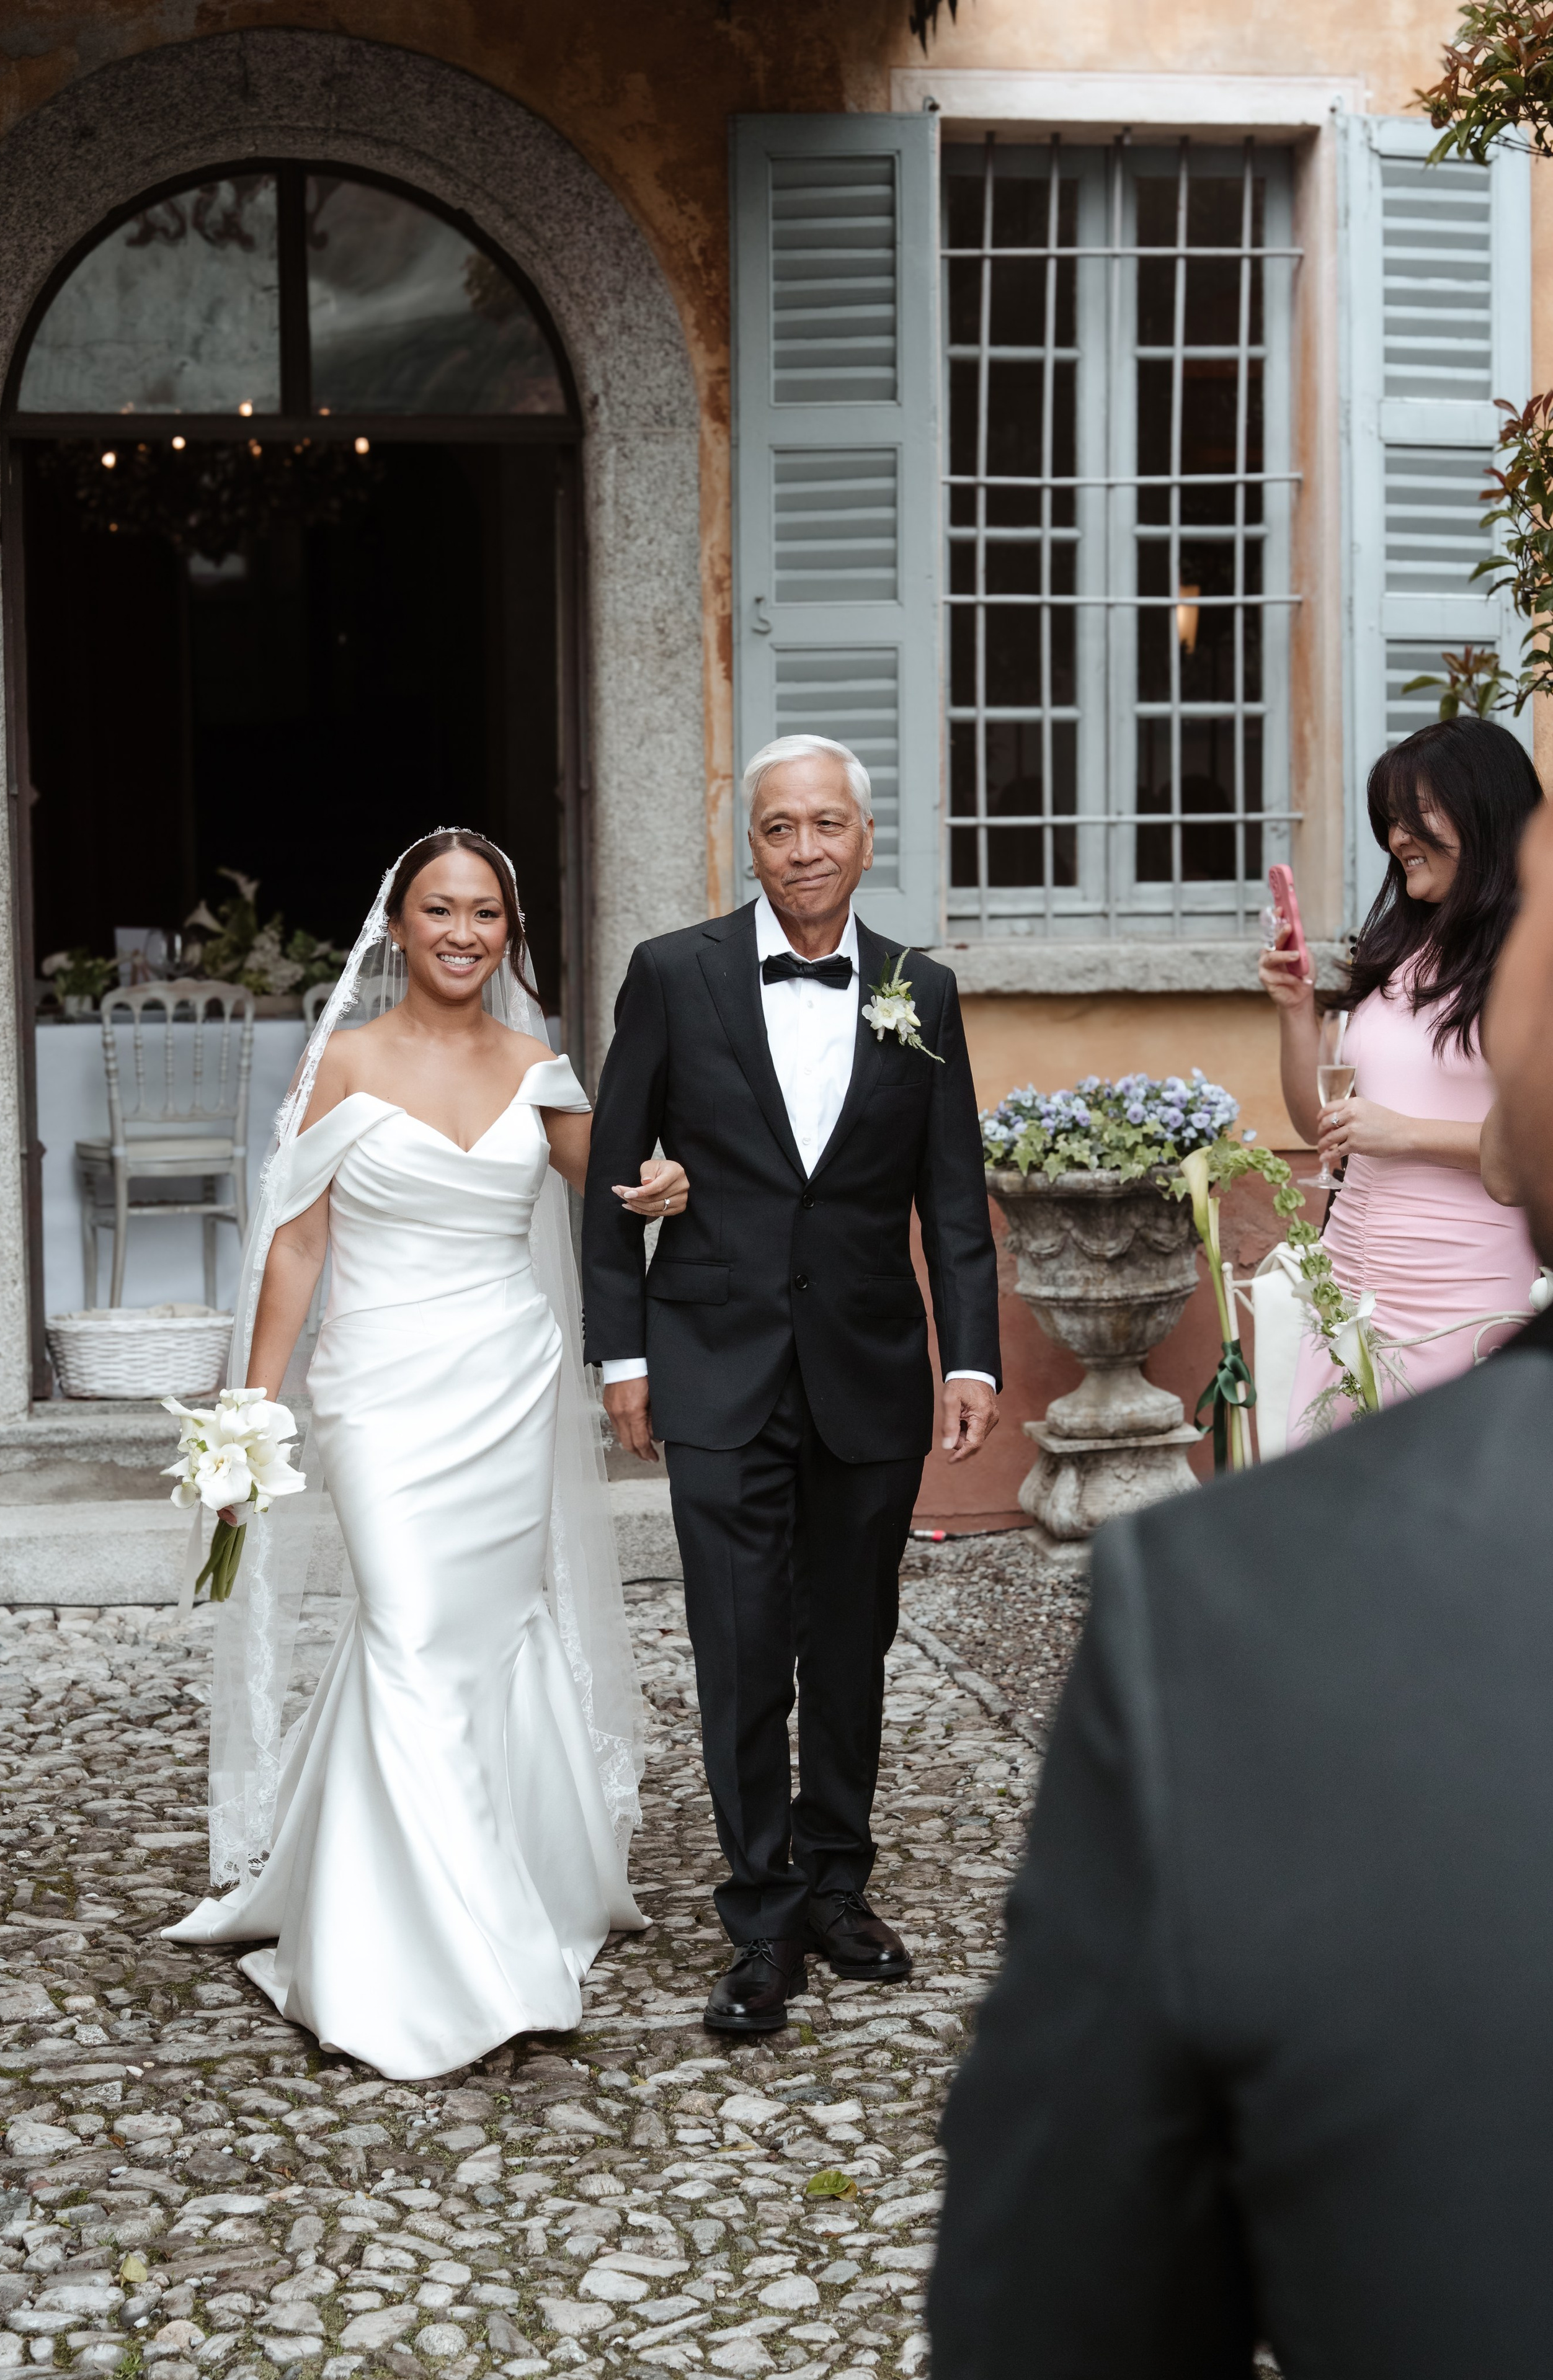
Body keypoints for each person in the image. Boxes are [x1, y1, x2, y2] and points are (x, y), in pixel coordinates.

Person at [928, 793, 1553, 2378]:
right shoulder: (1399, 949)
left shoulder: (1237, 1616)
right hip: (1369, 1274)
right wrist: (1296, 1014)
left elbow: (1062, 2311)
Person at [166, 830, 688, 2080]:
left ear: (510, 934)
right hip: (380, 1398)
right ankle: (472, 1967)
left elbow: (615, 1193)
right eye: (438, 911)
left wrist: (666, 1181)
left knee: (470, 1644)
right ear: (396, 926)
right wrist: (250, 1417)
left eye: (485, 915)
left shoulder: (541, 1068)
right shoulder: (340, 1065)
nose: (461, 934)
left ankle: (412, 1897)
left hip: (505, 1390)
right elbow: (295, 1250)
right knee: (406, 1632)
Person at [581, 734, 1002, 2035]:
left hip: (868, 1372)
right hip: (713, 1366)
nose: (805, 848)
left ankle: (836, 1883)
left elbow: (951, 1197)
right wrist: (625, 1357)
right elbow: (612, 1178)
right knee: (741, 1646)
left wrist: (971, 1352)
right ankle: (758, 1915)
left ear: (863, 840)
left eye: (827, 825)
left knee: (853, 1644)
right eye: (779, 828)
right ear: (748, 842)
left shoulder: (921, 993)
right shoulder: (672, 975)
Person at [1260, 716, 1539, 1437]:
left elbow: (1533, 1154)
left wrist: (1404, 1134)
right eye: (1387, 821)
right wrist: (1296, 1011)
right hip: (1346, 1279)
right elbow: (1318, 1127)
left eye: (1414, 816)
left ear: (1483, 810)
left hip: (1464, 1289)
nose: (1395, 840)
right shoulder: (1398, 953)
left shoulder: (1532, 964)